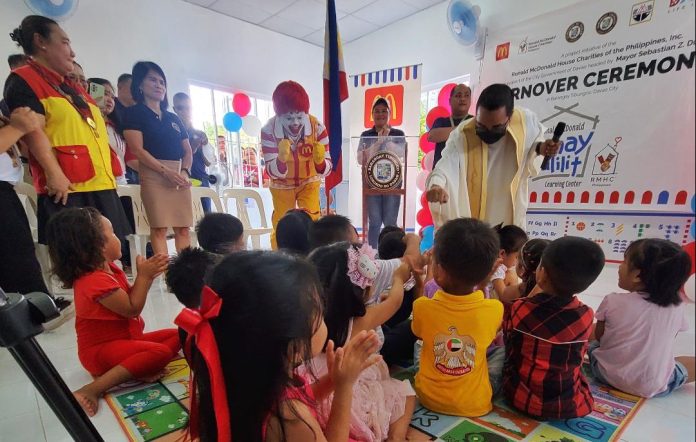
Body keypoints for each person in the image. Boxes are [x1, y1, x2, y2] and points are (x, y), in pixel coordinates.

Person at [180, 251, 381, 441]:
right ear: (292, 347)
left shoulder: (245, 380)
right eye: (319, 312)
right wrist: (345, 387)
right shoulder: (291, 420)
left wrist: (334, 380)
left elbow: (303, 395)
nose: (324, 317)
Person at [4, 16, 131, 255]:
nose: (72, 52)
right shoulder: (24, 80)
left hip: (101, 182)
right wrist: (54, 173)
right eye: (64, 42)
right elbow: (33, 130)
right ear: (41, 41)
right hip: (69, 187)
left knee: (110, 254)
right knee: (81, 259)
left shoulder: (71, 86)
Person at [45, 207, 179, 416]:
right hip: (99, 353)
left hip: (126, 340)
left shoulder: (110, 269)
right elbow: (131, 308)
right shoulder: (92, 281)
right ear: (94, 245)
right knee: (159, 352)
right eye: (113, 233)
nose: (119, 238)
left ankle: (134, 368)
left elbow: (129, 299)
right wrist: (144, 277)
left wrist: (146, 276)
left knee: (178, 333)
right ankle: (92, 389)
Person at [308, 242, 416, 441]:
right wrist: (399, 279)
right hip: (348, 396)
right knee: (405, 392)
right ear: (362, 290)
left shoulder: (309, 321)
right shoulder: (361, 321)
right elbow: (395, 301)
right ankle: (396, 437)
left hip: (314, 397)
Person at [425, 83, 561, 228]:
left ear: (509, 118)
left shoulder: (524, 123)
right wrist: (436, 185)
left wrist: (541, 148)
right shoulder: (463, 133)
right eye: (481, 126)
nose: (488, 131)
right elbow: (445, 165)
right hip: (473, 211)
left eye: (496, 127)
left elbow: (533, 146)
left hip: (508, 209)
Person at [502, 236, 604, 420]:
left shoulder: (520, 308)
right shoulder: (586, 315)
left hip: (519, 398)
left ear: (542, 273)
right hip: (567, 405)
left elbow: (508, 344)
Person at [412, 218, 502, 417]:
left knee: (420, 345)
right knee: (501, 352)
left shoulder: (422, 306)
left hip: (428, 398)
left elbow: (418, 333)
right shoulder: (494, 308)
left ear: (439, 270)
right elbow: (487, 338)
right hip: (475, 402)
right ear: (487, 272)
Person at [588, 239, 695, 398]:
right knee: (682, 362)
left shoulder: (613, 301)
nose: (619, 267)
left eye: (624, 262)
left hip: (605, 374)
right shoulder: (677, 306)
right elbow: (669, 338)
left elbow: (599, 337)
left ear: (637, 275)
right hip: (652, 385)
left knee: (589, 338)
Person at [122, 61, 193, 255]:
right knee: (160, 228)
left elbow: (187, 151)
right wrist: (165, 171)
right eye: (153, 80)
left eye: (162, 81)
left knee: (183, 227)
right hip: (153, 174)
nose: (159, 85)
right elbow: (137, 150)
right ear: (140, 84)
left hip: (179, 175)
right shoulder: (133, 114)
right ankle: (165, 276)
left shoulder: (173, 118)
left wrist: (184, 172)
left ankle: (186, 272)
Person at [261, 80, 332, 249]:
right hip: (281, 185)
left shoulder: (318, 128)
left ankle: (313, 256)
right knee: (281, 223)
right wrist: (280, 160)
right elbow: (271, 171)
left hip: (308, 181)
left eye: (299, 116)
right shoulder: (268, 130)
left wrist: (320, 162)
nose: (295, 122)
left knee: (312, 220)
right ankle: (280, 260)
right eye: (289, 117)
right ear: (279, 115)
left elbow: (328, 169)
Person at [357, 98, 406, 248]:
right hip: (371, 184)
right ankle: (373, 255)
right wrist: (378, 141)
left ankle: (390, 253)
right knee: (375, 222)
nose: (380, 114)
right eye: (377, 111)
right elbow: (360, 158)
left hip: (393, 182)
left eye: (384, 111)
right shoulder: (366, 134)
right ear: (372, 114)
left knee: (390, 222)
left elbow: (402, 153)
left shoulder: (398, 133)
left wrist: (387, 139)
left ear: (389, 113)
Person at [173, 92, 212, 212]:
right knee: (184, 220)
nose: (184, 111)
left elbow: (209, 162)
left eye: (188, 108)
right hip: (181, 180)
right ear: (175, 109)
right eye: (180, 108)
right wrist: (192, 148)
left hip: (201, 180)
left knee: (207, 219)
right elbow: (174, 157)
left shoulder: (200, 133)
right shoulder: (172, 133)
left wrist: (205, 145)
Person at [88, 78, 127, 185]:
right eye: (105, 94)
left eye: (112, 97)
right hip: (96, 180)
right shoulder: (88, 122)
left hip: (120, 179)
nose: (110, 100)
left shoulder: (116, 126)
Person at [428, 84, 473, 167]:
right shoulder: (441, 121)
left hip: (465, 174)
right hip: (441, 174)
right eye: (458, 96)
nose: (463, 99)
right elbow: (431, 136)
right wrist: (465, 129)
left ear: (470, 100)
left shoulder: (475, 121)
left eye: (466, 96)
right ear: (450, 101)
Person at [500, 238, 549, 305]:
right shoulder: (554, 295)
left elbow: (502, 295)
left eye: (517, 257)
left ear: (522, 269)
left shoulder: (509, 293)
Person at [488, 224, 528, 300]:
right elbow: (503, 294)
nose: (519, 261)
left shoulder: (502, 267)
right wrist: (524, 286)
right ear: (502, 253)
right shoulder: (497, 269)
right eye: (517, 257)